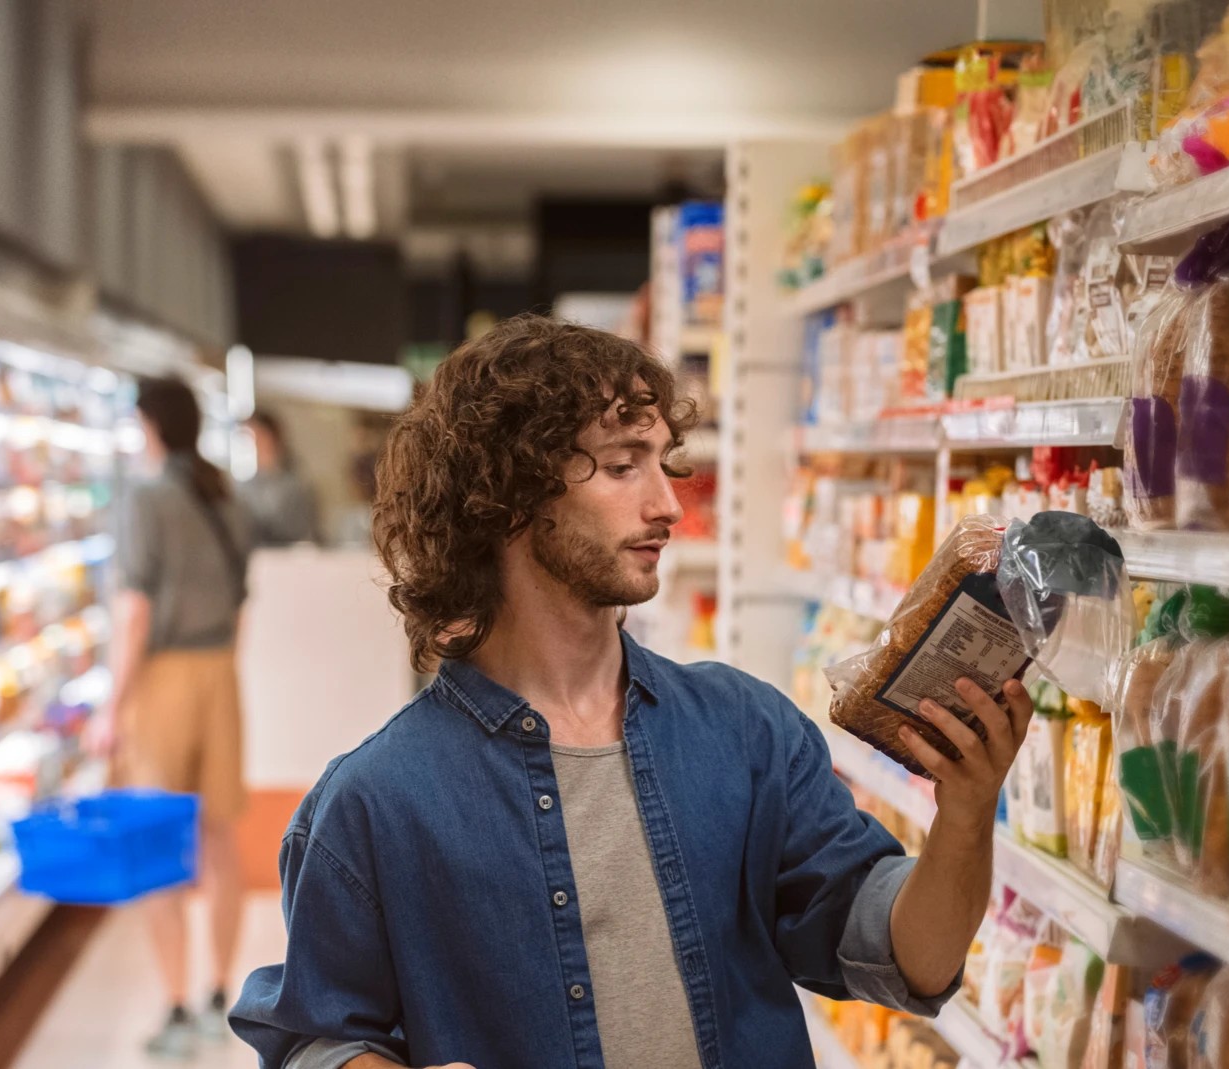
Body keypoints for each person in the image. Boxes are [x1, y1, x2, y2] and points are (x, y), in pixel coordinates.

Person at [230, 315, 1033, 1069]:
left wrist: (964, 816)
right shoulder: (376, 802)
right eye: (622, 467)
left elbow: (907, 959)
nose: (667, 505)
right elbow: (313, 1038)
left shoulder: (746, 732)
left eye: (661, 462)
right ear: (507, 496)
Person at [107, 377, 253, 1058]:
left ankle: (175, 1002)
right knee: (220, 839)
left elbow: (134, 610)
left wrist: (112, 707)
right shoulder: (225, 496)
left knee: (160, 838)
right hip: (219, 669)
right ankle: (223, 989)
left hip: (164, 677)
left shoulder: (145, 496)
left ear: (149, 424)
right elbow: (242, 599)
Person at [242, 409, 320, 547]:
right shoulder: (244, 487)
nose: (255, 444)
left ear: (274, 437)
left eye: (259, 437)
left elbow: (305, 534)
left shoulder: (297, 486)